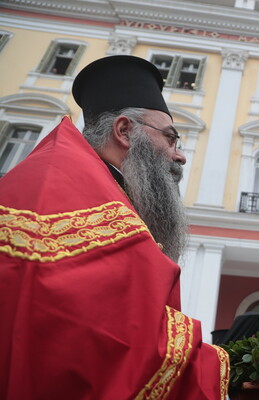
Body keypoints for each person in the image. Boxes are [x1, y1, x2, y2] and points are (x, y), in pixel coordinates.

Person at [0, 56, 229, 399]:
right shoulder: (69, 189)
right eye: (170, 138)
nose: (179, 156)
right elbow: (108, 340)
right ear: (124, 131)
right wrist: (229, 365)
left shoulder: (89, 181)